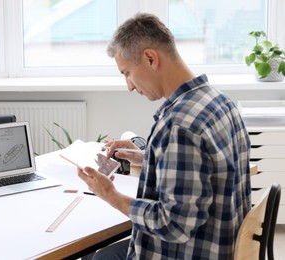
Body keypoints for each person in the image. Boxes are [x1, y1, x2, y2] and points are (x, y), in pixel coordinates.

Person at [77, 13, 251, 259]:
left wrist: (111, 196)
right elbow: (204, 167)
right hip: (222, 243)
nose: (129, 85)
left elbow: (174, 225)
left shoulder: (179, 125)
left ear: (150, 58)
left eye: (126, 72)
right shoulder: (220, 101)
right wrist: (149, 156)